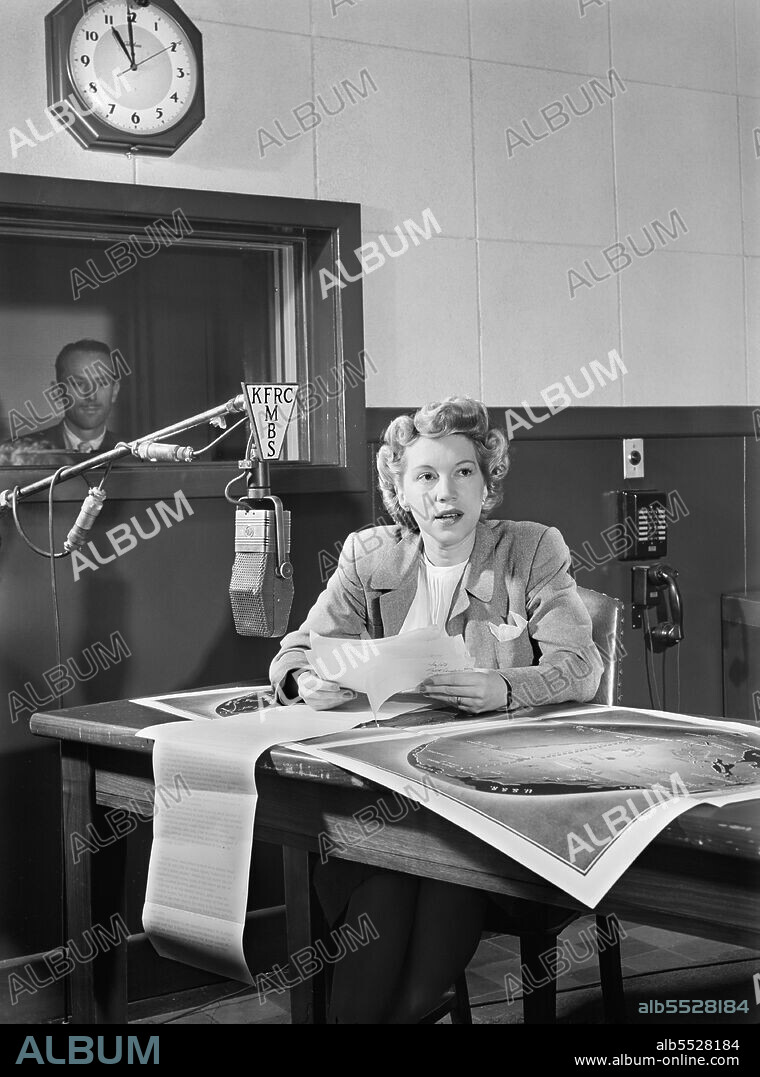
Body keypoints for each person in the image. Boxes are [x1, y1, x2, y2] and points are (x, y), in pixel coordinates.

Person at [268, 396, 603, 1023]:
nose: (444, 493)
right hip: (388, 790)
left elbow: (582, 667)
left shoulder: (531, 551)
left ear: (487, 483)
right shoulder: (370, 556)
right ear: (401, 488)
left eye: (463, 473)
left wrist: (505, 689)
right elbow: (293, 652)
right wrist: (305, 680)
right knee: (388, 870)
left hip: (489, 805)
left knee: (432, 865)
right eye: (425, 476)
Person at [0, 340, 121, 464]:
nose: (91, 396)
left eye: (102, 383)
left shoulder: (136, 452)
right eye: (78, 384)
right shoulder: (17, 456)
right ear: (57, 392)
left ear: (115, 391)